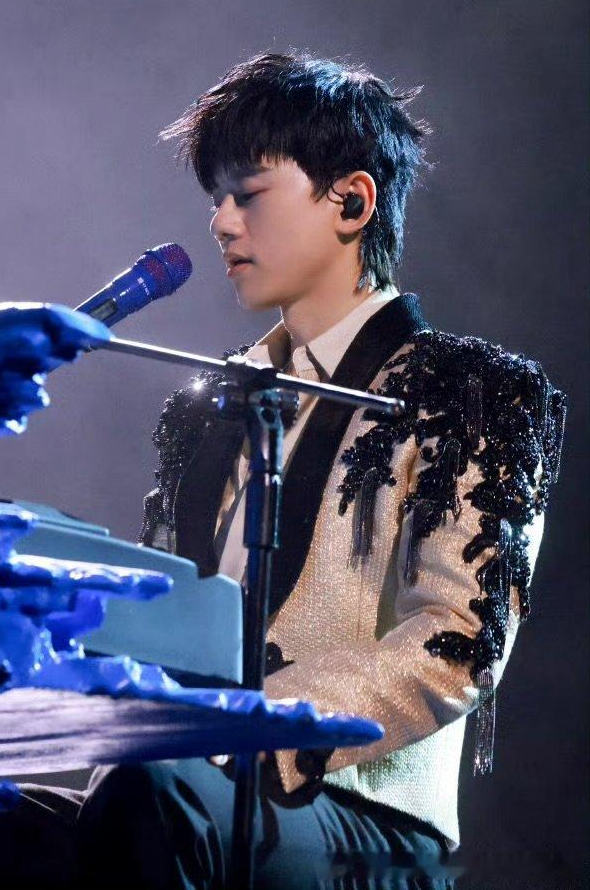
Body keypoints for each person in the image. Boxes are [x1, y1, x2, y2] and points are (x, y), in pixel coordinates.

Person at [73, 49, 568, 890]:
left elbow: (458, 637)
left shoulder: (474, 393)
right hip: (179, 785)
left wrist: (259, 727)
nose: (221, 222)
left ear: (352, 200)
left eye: (248, 193)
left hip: (365, 824)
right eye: (216, 198)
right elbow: (161, 625)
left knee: (152, 799)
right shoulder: (206, 405)